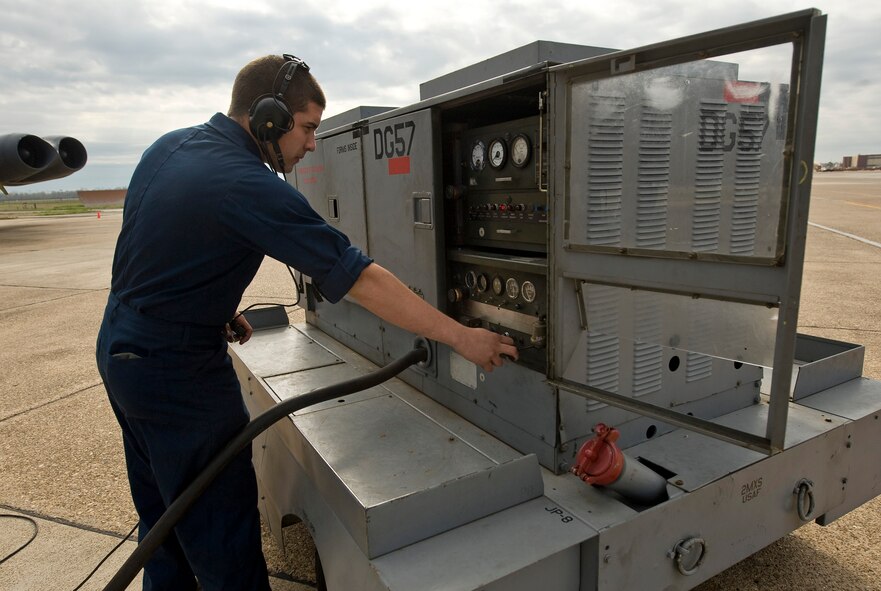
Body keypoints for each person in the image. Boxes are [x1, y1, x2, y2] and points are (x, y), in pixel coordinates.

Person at [95, 54, 518, 590]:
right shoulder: (246, 183)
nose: (314, 143)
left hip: (122, 352)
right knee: (222, 531)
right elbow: (359, 279)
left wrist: (212, 309)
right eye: (309, 127)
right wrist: (462, 337)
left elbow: (157, 251)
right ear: (268, 118)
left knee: (163, 518)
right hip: (176, 376)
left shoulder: (171, 147)